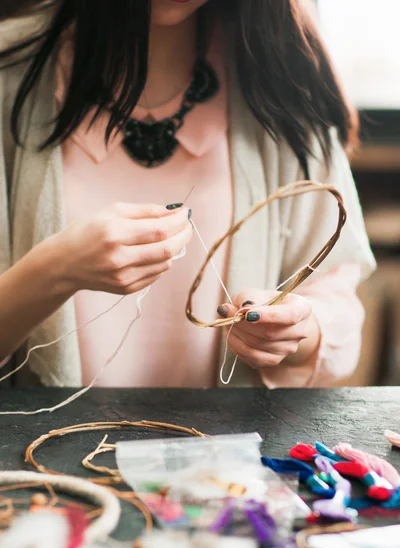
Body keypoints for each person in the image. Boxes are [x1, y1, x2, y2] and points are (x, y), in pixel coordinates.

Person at [0, 0, 375, 389]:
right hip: (42, 446)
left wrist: (293, 331)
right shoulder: (9, 73)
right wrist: (55, 269)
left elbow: (335, 305)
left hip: (222, 447)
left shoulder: (284, 77)